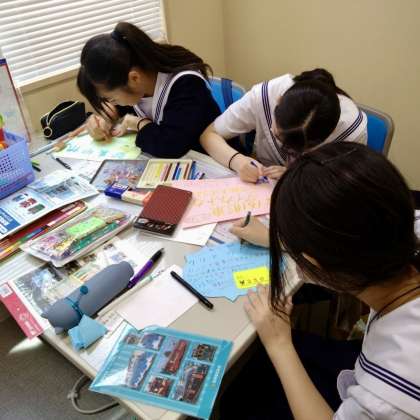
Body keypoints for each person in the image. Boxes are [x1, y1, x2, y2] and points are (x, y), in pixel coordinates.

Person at [221, 143, 420, 419]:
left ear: (314, 264)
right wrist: (277, 239)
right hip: (367, 359)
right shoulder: (402, 223)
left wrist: (279, 343)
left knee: (242, 392)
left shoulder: (387, 399)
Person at [77, 22, 220, 158]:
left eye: (112, 99)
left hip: (212, 160)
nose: (112, 103)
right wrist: (104, 119)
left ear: (134, 78)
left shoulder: (187, 85)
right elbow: (121, 108)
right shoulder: (139, 82)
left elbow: (170, 146)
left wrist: (139, 123)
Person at [200, 69, 367, 182]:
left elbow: (342, 183)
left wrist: (297, 176)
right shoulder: (265, 95)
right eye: (278, 136)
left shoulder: (352, 130)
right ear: (278, 101)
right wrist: (237, 161)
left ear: (330, 133)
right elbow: (209, 135)